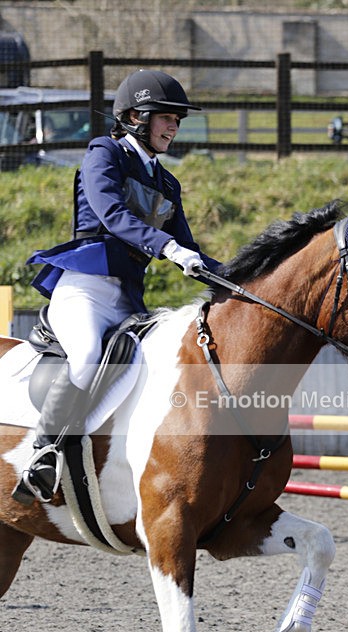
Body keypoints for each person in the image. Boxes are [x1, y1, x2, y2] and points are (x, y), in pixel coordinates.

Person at [13, 69, 220, 505]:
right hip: (85, 290)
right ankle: (42, 453)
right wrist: (167, 247)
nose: (173, 126)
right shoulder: (103, 154)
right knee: (87, 354)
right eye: (165, 117)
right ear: (133, 118)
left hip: (127, 299)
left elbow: (189, 248)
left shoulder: (167, 183)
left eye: (177, 120)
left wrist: (244, 278)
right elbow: (111, 215)